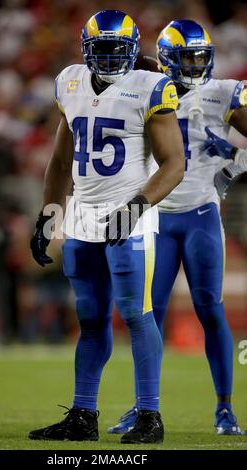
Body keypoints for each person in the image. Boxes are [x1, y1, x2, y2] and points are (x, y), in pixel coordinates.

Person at [29, 9, 184, 444]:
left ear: (133, 51)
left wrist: (136, 207)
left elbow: (175, 164)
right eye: (101, 50)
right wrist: (50, 213)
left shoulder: (151, 86)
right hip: (83, 216)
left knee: (136, 313)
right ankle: (82, 415)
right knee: (90, 317)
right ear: (85, 50)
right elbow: (61, 160)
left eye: (119, 50)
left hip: (130, 215)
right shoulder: (70, 81)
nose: (111, 59)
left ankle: (149, 416)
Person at [108, 19, 247, 436]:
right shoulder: (146, 87)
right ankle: (143, 407)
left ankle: (224, 408)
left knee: (210, 310)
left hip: (201, 215)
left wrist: (236, 163)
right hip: (156, 219)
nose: (194, 63)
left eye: (200, 56)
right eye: (186, 56)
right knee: (149, 315)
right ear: (168, 58)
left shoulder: (225, 93)